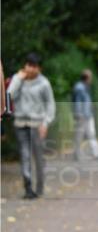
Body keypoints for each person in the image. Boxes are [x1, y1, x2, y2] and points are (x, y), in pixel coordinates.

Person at [8, 53, 56, 199]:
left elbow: (50, 104)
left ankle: (39, 187)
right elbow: (8, 96)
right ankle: (28, 187)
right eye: (28, 65)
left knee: (38, 157)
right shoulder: (18, 79)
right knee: (25, 154)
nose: (30, 68)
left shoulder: (44, 83)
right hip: (21, 123)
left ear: (39, 68)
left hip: (37, 124)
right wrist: (18, 80)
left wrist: (46, 122)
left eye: (33, 66)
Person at [72, 69, 98, 159]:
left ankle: (96, 153)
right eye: (90, 77)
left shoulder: (85, 86)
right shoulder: (79, 88)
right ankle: (77, 154)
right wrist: (78, 114)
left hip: (88, 115)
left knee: (91, 133)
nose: (91, 79)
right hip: (82, 115)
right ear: (87, 78)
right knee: (79, 135)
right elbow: (78, 102)